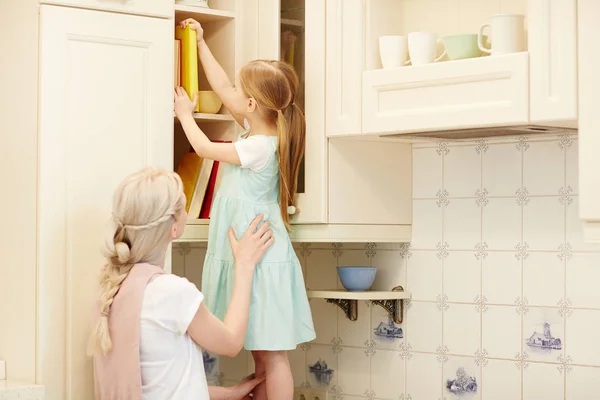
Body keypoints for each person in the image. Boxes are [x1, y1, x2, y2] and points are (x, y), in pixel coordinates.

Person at [174, 18, 316, 400]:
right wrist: (202, 43)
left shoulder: (256, 147)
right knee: (263, 351)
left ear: (251, 105)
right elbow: (220, 85)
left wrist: (186, 113)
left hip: (259, 259)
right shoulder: (258, 130)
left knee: (272, 354)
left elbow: (204, 150)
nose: (230, 92)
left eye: (240, 91)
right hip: (252, 257)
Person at [87, 167, 274, 400]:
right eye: (184, 207)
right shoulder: (172, 292)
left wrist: (228, 393)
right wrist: (245, 265)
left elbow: (160, 386)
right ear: (173, 227)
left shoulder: (113, 287)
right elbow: (231, 342)